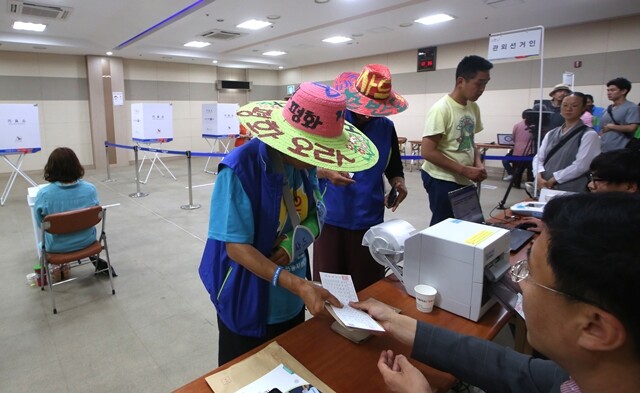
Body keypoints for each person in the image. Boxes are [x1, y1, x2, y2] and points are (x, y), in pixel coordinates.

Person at [353, 192, 640, 393]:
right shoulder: (580, 377)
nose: (518, 283)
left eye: (530, 274)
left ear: (594, 327)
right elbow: (511, 369)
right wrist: (395, 320)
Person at [198, 82, 379, 365]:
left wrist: (291, 253)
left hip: (291, 301)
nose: (319, 158)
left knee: (291, 371)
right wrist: (298, 285)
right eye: (316, 150)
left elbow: (316, 212)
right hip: (249, 301)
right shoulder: (240, 170)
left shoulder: (304, 167)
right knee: (248, 375)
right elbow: (235, 248)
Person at [313, 64, 408, 291]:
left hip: (369, 221)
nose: (366, 113)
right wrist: (326, 172)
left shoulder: (386, 127)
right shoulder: (331, 121)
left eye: (374, 109)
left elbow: (394, 167)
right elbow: (304, 164)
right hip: (331, 218)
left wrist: (398, 183)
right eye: (363, 106)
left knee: (366, 287)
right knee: (330, 286)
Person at [420, 55, 492, 226]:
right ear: (461, 81)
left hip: (463, 176)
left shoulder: (473, 107)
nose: (482, 89)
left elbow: (470, 141)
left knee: (467, 223)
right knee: (444, 226)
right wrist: (463, 169)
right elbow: (427, 151)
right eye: (479, 83)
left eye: (485, 84)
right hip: (441, 177)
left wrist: (478, 164)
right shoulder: (441, 109)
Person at [520, 148, 640, 232]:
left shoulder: (623, 227)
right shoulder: (609, 213)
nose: (591, 185)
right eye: (592, 178)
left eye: (598, 180)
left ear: (629, 187)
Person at [532, 92, 601, 193]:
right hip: (544, 186)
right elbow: (539, 157)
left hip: (570, 189)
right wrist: (538, 176)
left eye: (574, 105)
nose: (568, 109)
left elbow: (581, 166)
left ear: (583, 108)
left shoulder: (589, 135)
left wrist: (553, 179)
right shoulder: (551, 133)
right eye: (565, 105)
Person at [35, 147, 99, 253]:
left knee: (42, 242)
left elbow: (40, 224)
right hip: (88, 241)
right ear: (76, 165)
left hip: (56, 246)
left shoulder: (44, 195)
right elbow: (94, 214)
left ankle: (58, 267)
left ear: (51, 168)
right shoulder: (90, 189)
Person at [600, 77, 640, 152]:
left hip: (620, 149)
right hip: (604, 147)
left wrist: (612, 126)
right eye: (608, 90)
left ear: (623, 91)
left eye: (612, 90)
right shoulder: (608, 109)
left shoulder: (632, 107)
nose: (609, 93)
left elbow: (632, 128)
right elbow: (602, 128)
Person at [502, 110, 534, 187]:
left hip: (517, 151)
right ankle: (529, 186)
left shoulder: (517, 125)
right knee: (530, 171)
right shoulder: (535, 126)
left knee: (517, 170)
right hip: (531, 152)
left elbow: (513, 138)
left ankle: (516, 183)